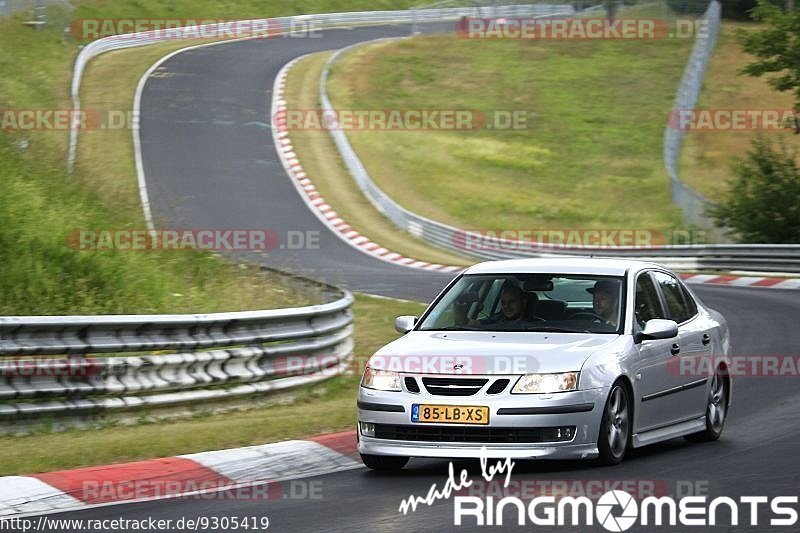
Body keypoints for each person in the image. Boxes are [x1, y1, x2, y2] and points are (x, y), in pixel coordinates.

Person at [454, 281, 529, 326]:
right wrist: (459, 305)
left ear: (523, 303)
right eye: (503, 303)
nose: (506, 306)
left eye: (512, 302)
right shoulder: (496, 320)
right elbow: (464, 323)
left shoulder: (536, 324)